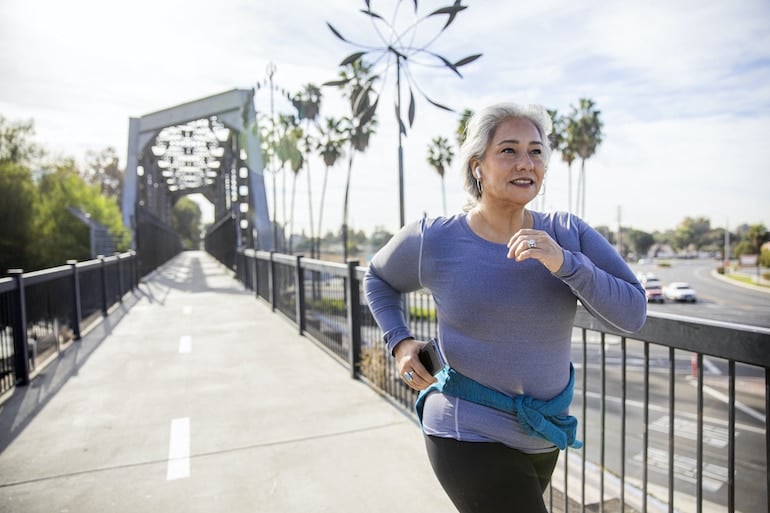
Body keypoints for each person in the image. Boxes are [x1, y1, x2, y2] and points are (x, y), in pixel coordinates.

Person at [363, 102, 646, 513]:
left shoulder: (569, 233)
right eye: (509, 150)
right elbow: (378, 278)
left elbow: (634, 313)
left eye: (536, 152)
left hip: (543, 434)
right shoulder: (435, 239)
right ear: (477, 166)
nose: (525, 163)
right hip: (465, 431)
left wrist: (565, 263)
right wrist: (400, 341)